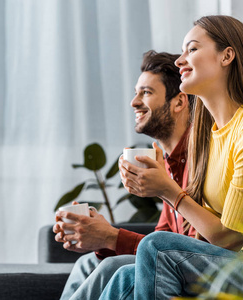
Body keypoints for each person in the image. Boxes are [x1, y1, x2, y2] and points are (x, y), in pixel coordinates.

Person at [102, 15, 243, 299]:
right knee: (122, 276)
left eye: (191, 49)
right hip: (238, 263)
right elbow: (205, 231)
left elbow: (229, 238)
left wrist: (167, 189)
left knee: (157, 248)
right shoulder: (211, 134)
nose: (180, 60)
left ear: (227, 56)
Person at [53, 50, 196, 300]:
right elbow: (163, 240)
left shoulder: (200, 160)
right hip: (173, 262)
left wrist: (111, 237)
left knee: (111, 266)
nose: (134, 102)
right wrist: (102, 236)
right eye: (136, 92)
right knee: (87, 263)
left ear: (179, 102)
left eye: (146, 93)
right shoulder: (167, 163)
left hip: (194, 269)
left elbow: (183, 253)